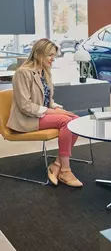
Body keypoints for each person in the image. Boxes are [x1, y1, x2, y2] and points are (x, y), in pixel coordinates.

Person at [7, 38, 83, 187]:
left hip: (40, 113)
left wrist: (55, 108)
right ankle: (65, 170)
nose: (53, 59)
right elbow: (25, 106)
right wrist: (52, 112)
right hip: (25, 118)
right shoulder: (22, 73)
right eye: (50, 55)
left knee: (76, 120)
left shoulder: (44, 71)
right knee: (66, 121)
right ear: (38, 53)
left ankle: (56, 164)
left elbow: (46, 99)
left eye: (54, 55)